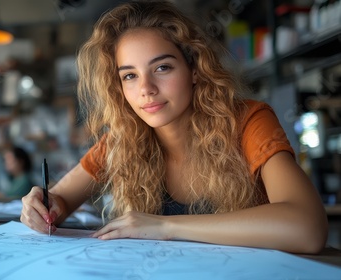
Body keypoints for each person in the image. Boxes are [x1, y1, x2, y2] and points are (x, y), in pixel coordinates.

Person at [20, 0, 328, 254]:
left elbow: (307, 228)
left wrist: (164, 226)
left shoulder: (247, 121)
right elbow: (58, 200)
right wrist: (44, 206)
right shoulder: (124, 138)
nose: (146, 89)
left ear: (194, 69)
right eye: (129, 76)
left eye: (162, 68)